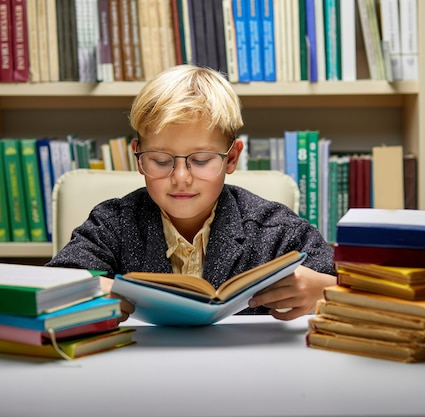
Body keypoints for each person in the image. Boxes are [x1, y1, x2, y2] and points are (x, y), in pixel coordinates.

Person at [47, 65, 336, 321]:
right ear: (138, 158)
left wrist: (324, 291)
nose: (181, 178)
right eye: (160, 160)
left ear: (231, 158)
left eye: (201, 160)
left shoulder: (275, 228)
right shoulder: (112, 223)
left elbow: (354, 290)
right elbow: (49, 286)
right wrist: (87, 291)